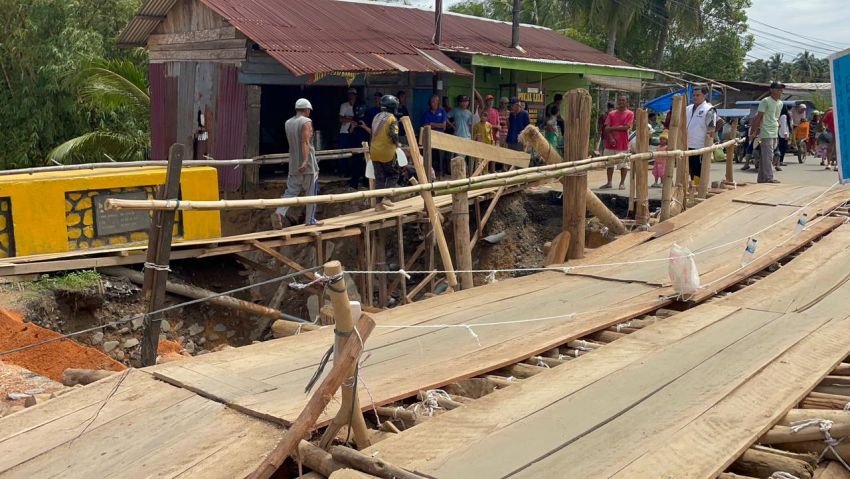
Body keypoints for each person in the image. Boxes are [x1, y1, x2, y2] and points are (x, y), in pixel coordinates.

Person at [273, 98, 321, 229]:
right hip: (308, 165)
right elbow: (305, 142)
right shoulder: (306, 122)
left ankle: (279, 212)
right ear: (307, 110)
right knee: (311, 192)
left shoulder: (288, 123)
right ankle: (310, 219)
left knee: (290, 192)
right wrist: (305, 161)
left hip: (293, 163)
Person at [749, 81, 784, 183]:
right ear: (771, 90)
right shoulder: (765, 101)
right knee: (769, 156)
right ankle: (769, 177)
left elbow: (776, 117)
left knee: (766, 156)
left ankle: (761, 178)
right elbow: (758, 117)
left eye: (781, 90)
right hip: (766, 131)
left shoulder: (780, 103)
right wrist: (754, 131)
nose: (780, 91)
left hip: (774, 130)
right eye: (778, 89)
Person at [370, 95, 401, 211]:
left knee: (379, 178)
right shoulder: (392, 118)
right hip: (387, 152)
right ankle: (387, 197)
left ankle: (378, 204)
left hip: (374, 152)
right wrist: (398, 144)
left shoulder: (376, 117)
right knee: (394, 174)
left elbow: (372, 134)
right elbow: (394, 135)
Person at [685, 85, 717, 187]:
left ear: (705, 95)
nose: (695, 97)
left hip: (700, 146)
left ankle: (699, 189)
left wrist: (709, 142)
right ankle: (693, 188)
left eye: (698, 95)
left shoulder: (709, 109)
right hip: (687, 144)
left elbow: (712, 128)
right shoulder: (688, 108)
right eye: (693, 95)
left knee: (698, 169)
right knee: (689, 169)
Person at [600, 95, 634, 190]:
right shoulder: (611, 114)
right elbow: (606, 128)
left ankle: (622, 183)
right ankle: (609, 182)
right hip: (610, 143)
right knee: (609, 164)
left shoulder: (630, 113)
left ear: (626, 102)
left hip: (622, 143)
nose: (621, 102)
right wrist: (611, 138)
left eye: (623, 100)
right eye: (619, 100)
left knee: (623, 165)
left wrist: (612, 128)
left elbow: (626, 127)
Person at [421, 94, 448, 175]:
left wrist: (432, 124)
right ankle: (431, 173)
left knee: (441, 156)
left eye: (436, 101)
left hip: (440, 137)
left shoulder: (442, 111)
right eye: (433, 102)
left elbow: (444, 126)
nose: (434, 103)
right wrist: (436, 125)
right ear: (430, 103)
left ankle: (441, 173)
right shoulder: (426, 113)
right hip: (430, 137)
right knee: (431, 156)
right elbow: (426, 126)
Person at [775, 105, 791, 169]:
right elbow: (784, 126)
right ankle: (780, 161)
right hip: (783, 134)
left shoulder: (781, 116)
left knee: (781, 148)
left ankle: (779, 161)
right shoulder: (784, 116)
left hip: (781, 133)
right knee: (783, 148)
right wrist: (785, 134)